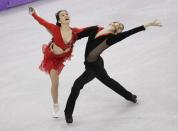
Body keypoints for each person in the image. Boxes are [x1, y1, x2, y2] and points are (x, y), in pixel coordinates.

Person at [64, 20, 162, 123]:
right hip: (94, 64)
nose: (118, 25)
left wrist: (147, 24)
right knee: (109, 82)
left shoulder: (111, 38)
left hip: (95, 67)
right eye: (118, 23)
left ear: (117, 32)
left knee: (77, 84)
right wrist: (65, 41)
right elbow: (78, 35)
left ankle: (68, 113)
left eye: (120, 27)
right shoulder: (94, 29)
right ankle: (130, 96)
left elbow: (130, 32)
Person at [29, 7, 98, 118]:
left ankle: (54, 40)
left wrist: (105, 29)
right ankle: (55, 105)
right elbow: (41, 22)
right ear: (59, 20)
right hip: (52, 58)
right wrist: (33, 14)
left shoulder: (74, 31)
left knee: (54, 34)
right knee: (55, 83)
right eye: (62, 15)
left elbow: (89, 29)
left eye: (67, 14)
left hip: (63, 56)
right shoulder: (55, 28)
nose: (66, 15)